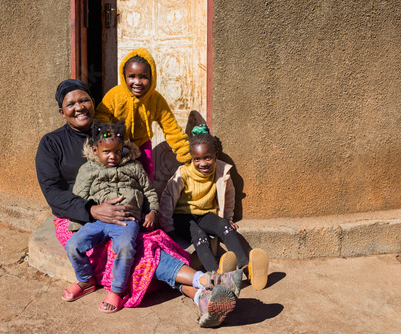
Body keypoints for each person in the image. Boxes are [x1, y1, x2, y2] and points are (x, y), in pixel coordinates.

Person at [35, 79, 239, 327]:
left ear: (93, 103)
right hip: (78, 218)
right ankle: (206, 284)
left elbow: (137, 179)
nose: (79, 107)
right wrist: (92, 210)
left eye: (84, 100)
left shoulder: (111, 134)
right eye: (71, 104)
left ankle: (202, 295)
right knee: (131, 256)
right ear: (61, 111)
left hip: (126, 214)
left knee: (146, 247)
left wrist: (145, 211)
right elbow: (53, 193)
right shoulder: (51, 144)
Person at [159, 125, 270, 290]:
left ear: (216, 154)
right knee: (200, 237)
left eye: (207, 158)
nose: (202, 163)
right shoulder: (184, 173)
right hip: (183, 216)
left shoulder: (222, 170)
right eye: (197, 159)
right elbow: (167, 199)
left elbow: (229, 194)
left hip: (205, 215)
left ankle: (248, 269)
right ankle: (216, 274)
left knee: (225, 227)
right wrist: (168, 228)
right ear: (192, 157)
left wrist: (227, 218)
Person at [65, 119, 159, 312]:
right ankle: (85, 280)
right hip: (99, 220)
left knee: (125, 247)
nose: (112, 157)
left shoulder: (134, 167)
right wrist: (76, 226)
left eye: (117, 151)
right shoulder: (88, 170)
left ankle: (117, 291)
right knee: (73, 245)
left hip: (127, 220)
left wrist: (152, 211)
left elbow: (149, 191)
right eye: (106, 152)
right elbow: (79, 197)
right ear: (94, 150)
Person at [95, 48, 191, 183]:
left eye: (143, 77)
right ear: (124, 76)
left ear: (152, 77)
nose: (137, 82)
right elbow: (101, 114)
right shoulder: (114, 95)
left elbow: (171, 128)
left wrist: (186, 154)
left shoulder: (156, 99)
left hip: (142, 144)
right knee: (116, 177)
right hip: (116, 144)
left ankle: (147, 203)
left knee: (146, 176)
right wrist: (110, 132)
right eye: (132, 76)